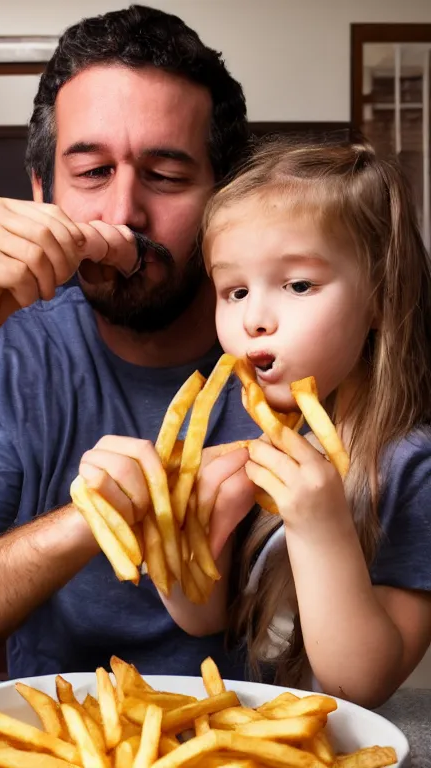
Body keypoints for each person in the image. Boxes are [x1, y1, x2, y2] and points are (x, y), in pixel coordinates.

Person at [0, 5, 260, 678]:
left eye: (165, 175)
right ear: (42, 190)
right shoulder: (2, 354)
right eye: (92, 173)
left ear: (227, 193)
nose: (123, 213)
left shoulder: (309, 355)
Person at [163, 138, 431, 708]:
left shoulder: (414, 467)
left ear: (380, 297)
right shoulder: (252, 429)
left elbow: (360, 684)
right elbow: (204, 620)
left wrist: (321, 525)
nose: (255, 319)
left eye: (299, 285)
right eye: (234, 290)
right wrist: (182, 537)